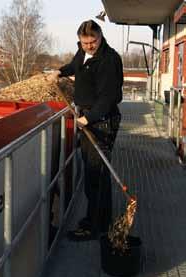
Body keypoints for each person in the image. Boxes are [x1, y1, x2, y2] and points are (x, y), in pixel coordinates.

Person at [48, 20, 123, 241]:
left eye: (93, 42)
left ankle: (95, 227)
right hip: (88, 117)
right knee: (94, 174)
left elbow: (109, 97)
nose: (89, 46)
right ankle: (99, 220)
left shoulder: (109, 60)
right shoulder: (82, 53)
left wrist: (87, 118)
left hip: (101, 121)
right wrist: (59, 72)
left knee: (96, 175)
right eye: (85, 42)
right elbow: (75, 65)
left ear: (100, 37)